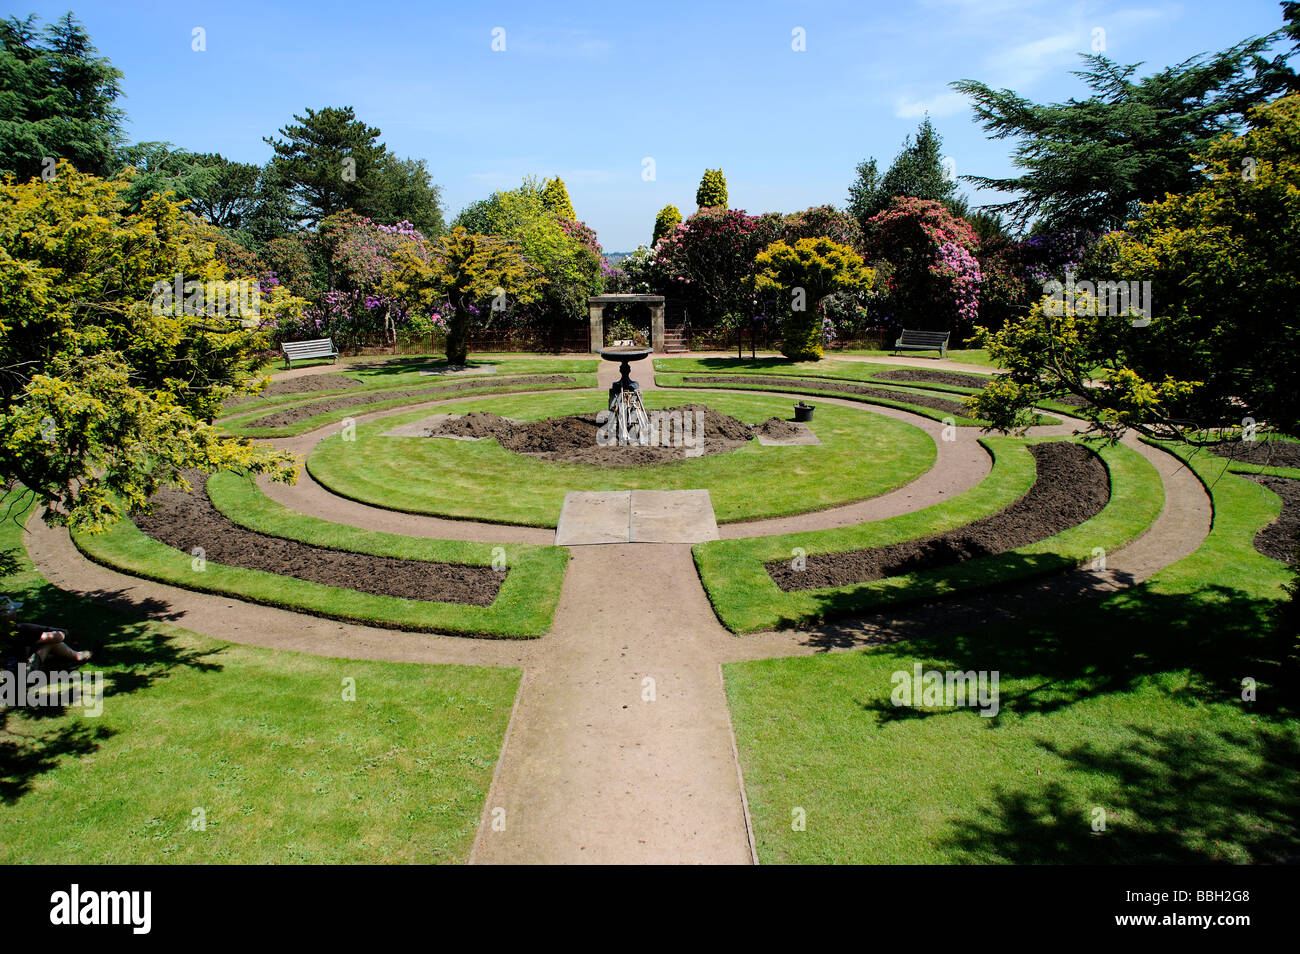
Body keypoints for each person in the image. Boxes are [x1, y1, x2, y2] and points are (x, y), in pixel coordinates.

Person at [1, 598, 91, 670]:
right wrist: (62, 634)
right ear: (9, 616)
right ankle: (78, 656)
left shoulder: (8, 631)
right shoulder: (18, 632)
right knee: (50, 642)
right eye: (14, 611)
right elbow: (57, 637)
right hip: (19, 672)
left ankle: (70, 655)